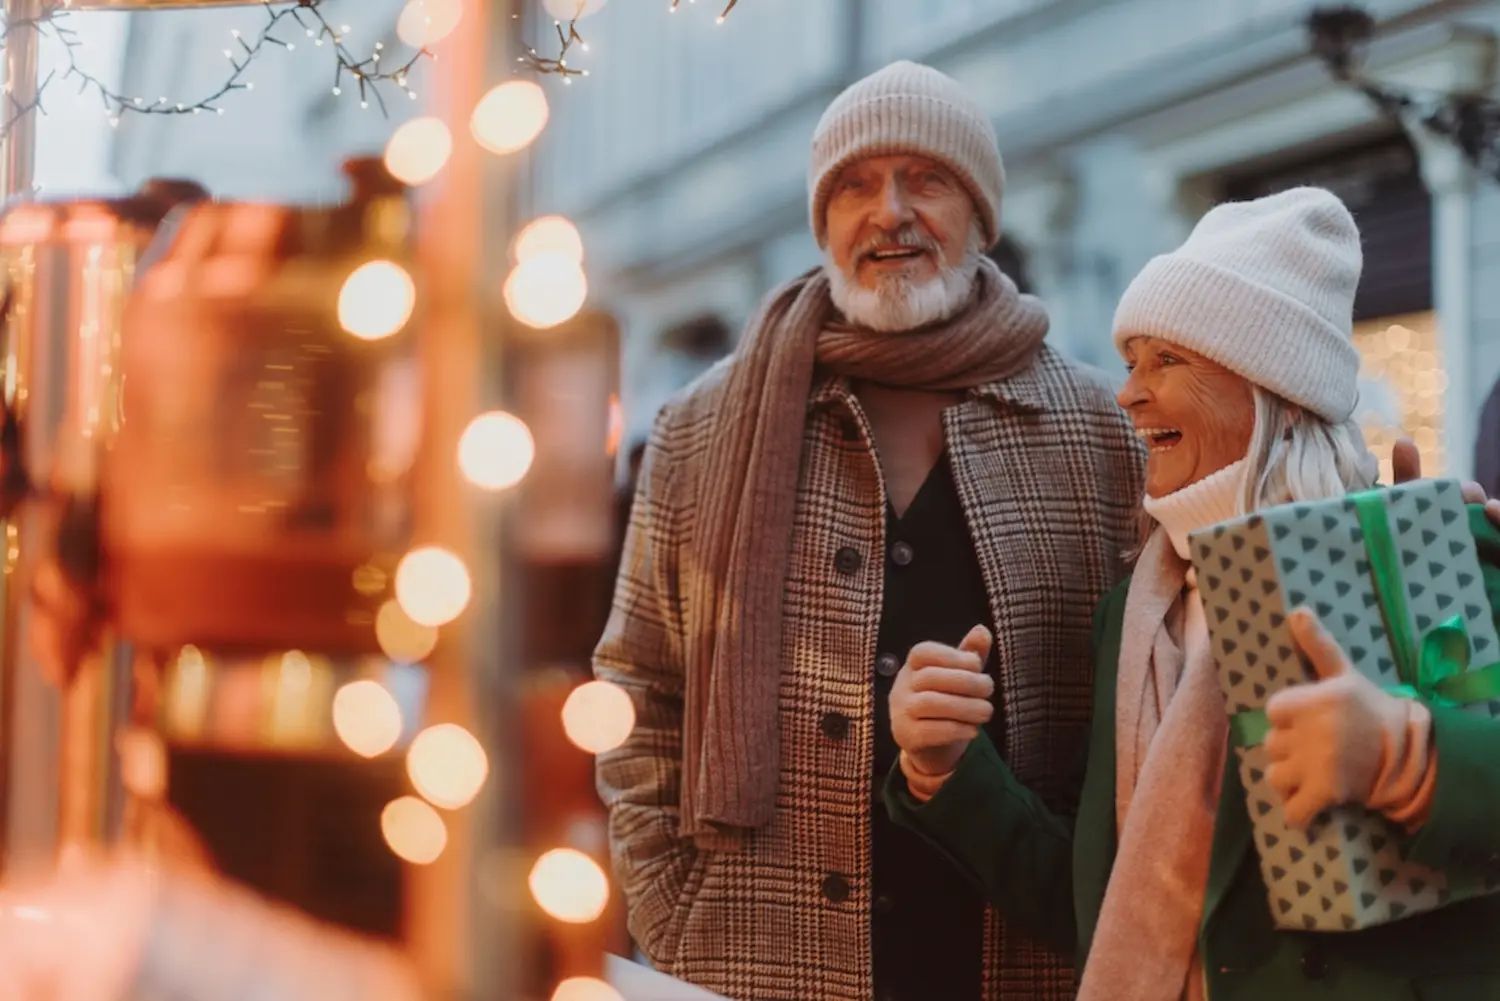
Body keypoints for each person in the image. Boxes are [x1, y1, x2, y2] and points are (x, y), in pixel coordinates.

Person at [594, 60, 1144, 1001]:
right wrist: (666, 903)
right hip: (759, 952)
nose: (889, 211)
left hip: (1020, 951)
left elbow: (1146, 698)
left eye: (925, 179)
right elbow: (638, 685)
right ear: (823, 221)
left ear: (980, 213)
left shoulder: (1100, 429)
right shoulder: (700, 429)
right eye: (854, 184)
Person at [885, 186, 1500, 1001]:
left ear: (1268, 386)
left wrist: (1408, 760)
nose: (1127, 393)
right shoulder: (1136, 618)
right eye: (1131, 362)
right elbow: (1101, 905)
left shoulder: (1425, 550)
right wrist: (947, 769)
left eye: (1166, 361)